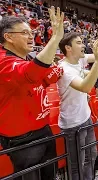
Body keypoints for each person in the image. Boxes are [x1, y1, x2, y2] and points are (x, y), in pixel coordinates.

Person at [0, 7, 64, 180]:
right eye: (25, 32)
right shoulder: (3, 61)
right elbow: (31, 74)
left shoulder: (25, 58)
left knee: (50, 175)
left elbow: (43, 79)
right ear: (8, 37)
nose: (31, 36)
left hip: (43, 129)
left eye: (32, 32)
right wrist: (56, 38)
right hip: (23, 139)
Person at [57, 32, 98, 180]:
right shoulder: (64, 69)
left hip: (85, 118)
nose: (83, 45)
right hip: (72, 124)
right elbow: (85, 87)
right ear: (68, 48)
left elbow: (97, 71)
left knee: (91, 155)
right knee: (77, 165)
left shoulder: (80, 60)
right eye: (79, 43)